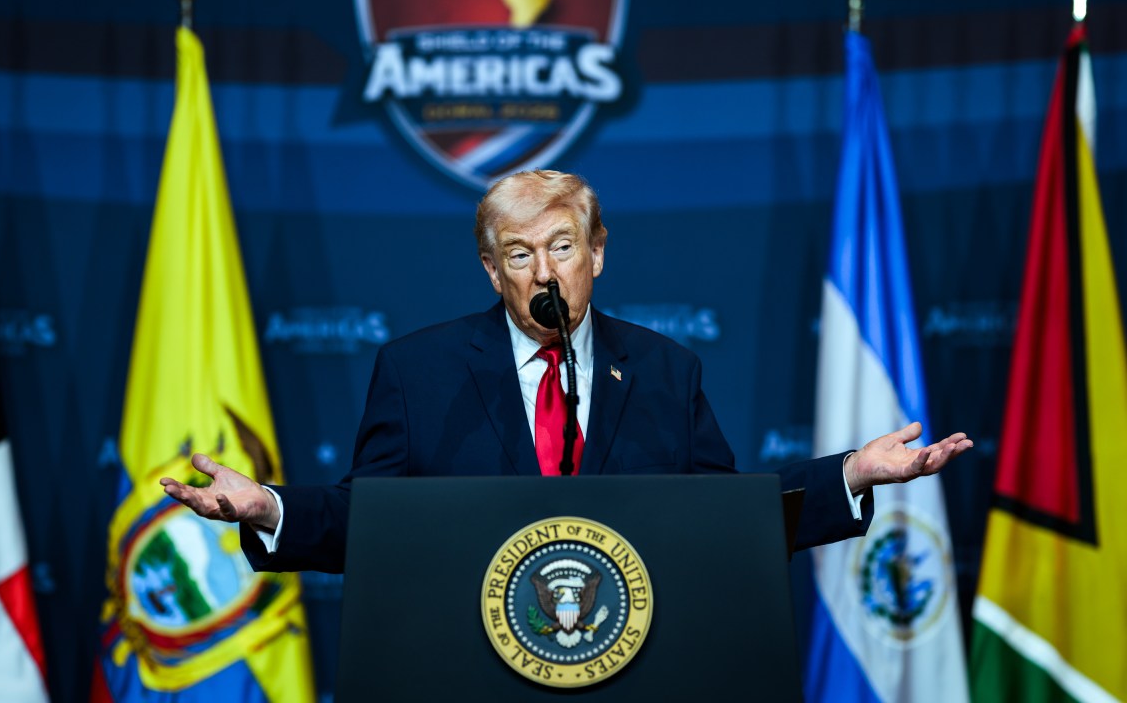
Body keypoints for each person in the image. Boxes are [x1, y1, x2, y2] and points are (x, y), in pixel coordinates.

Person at [160, 170, 972, 573]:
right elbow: (367, 521)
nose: (545, 273)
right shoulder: (419, 372)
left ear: (597, 255)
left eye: (561, 247)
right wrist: (264, 506)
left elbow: (726, 517)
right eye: (520, 254)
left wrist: (850, 477)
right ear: (491, 271)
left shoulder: (663, 370)